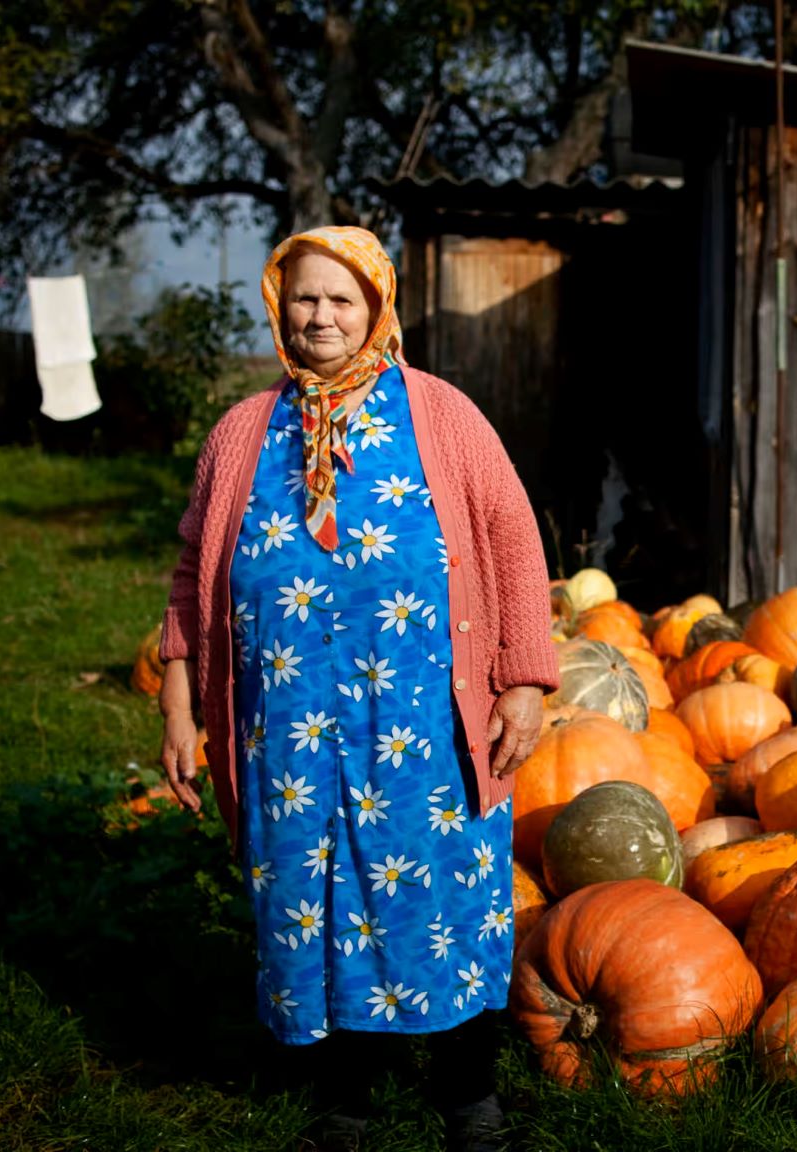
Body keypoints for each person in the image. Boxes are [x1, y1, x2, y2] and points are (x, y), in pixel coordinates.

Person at [156, 226, 557, 1151]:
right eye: (304, 297)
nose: (321, 316)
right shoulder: (243, 432)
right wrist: (180, 703)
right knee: (315, 899)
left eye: (342, 298)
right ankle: (345, 1101)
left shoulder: (443, 416)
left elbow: (513, 540)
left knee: (445, 898)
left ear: (376, 306)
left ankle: (470, 1098)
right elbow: (193, 576)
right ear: (279, 305)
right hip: (288, 733)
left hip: (422, 723)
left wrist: (525, 680)